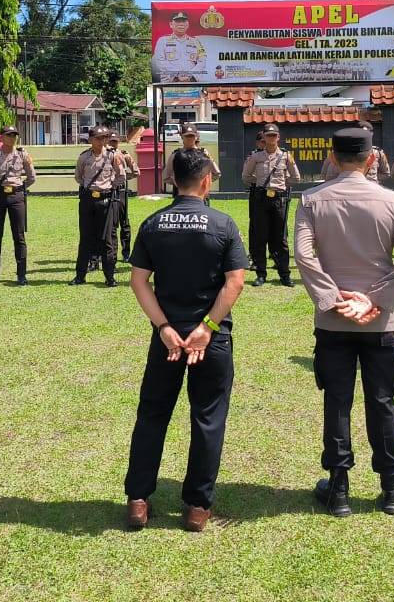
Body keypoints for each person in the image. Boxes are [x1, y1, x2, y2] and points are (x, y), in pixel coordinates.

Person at [293, 127, 394, 518]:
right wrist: (375, 299)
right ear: (371, 160)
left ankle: (338, 489)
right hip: (380, 322)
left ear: (331, 158)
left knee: (337, 401)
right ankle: (391, 486)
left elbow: (304, 256)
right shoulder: (392, 201)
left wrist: (334, 299)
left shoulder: (312, 199)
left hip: (334, 322)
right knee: (382, 400)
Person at [123, 148, 248, 533]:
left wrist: (163, 327)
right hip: (210, 341)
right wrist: (207, 327)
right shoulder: (223, 224)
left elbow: (139, 281)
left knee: (152, 415)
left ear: (172, 180)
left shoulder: (153, 223)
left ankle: (139, 500)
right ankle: (196, 506)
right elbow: (235, 281)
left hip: (167, 339)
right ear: (207, 180)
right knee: (208, 419)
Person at [241, 123, 301, 286]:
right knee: (261, 236)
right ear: (264, 137)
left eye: (274, 135)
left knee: (280, 238)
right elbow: (246, 177)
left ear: (278, 137)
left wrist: (280, 185)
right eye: (268, 135)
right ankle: (261, 274)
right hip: (261, 199)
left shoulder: (286, 156)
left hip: (279, 200)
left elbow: (296, 178)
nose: (271, 138)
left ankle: (284, 274)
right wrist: (261, 184)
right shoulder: (256, 157)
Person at [0, 124, 36, 286]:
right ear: (1, 138)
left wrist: (20, 188)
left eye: (14, 135)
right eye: (9, 135)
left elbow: (32, 177)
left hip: (16, 197)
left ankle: (21, 274)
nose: (12, 138)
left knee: (19, 236)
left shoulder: (22, 155)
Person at [71, 126, 125, 287]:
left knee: (107, 239)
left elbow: (120, 176)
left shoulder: (112, 156)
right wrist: (91, 188)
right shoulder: (84, 157)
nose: (102, 141)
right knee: (85, 238)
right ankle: (80, 275)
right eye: (98, 138)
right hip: (88, 199)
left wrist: (108, 187)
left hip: (106, 199)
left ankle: (109, 276)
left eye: (104, 138)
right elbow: (78, 177)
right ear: (90, 140)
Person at [162, 123, 220, 201]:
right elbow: (166, 177)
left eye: (192, 136)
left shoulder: (204, 153)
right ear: (181, 136)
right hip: (181, 195)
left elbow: (216, 173)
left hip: (200, 195)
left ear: (196, 136)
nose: (190, 138)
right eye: (187, 136)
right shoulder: (176, 155)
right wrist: (181, 183)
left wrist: (201, 182)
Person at [151, 11, 207, 82]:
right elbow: (160, 61)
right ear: (171, 24)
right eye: (177, 21)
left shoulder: (196, 42)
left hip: (191, 83)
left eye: (183, 21)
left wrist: (191, 75)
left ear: (187, 24)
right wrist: (177, 74)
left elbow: (202, 60)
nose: (181, 24)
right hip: (170, 83)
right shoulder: (162, 41)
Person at [109, 133, 139, 259]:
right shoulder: (103, 155)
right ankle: (107, 253)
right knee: (109, 223)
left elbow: (136, 171)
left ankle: (126, 253)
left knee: (124, 222)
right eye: (111, 141)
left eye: (115, 141)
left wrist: (124, 179)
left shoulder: (124, 154)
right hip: (107, 191)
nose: (113, 144)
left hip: (120, 191)